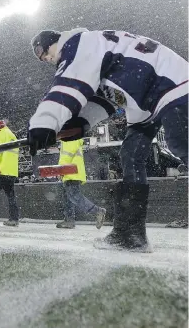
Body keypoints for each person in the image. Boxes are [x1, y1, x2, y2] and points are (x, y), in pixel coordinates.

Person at [27, 28, 188, 252]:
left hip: (172, 84)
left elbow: (68, 85)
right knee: (131, 156)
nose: (44, 58)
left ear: (53, 41)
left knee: (182, 142)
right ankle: (130, 235)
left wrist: (44, 123)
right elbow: (109, 99)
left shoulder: (78, 43)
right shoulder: (96, 52)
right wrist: (82, 122)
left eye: (42, 51)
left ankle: (130, 235)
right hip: (147, 100)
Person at [56, 139, 106, 229]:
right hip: (71, 173)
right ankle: (69, 220)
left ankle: (97, 211)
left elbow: (67, 155)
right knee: (68, 198)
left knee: (74, 196)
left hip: (71, 172)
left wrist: (60, 169)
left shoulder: (70, 136)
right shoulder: (71, 135)